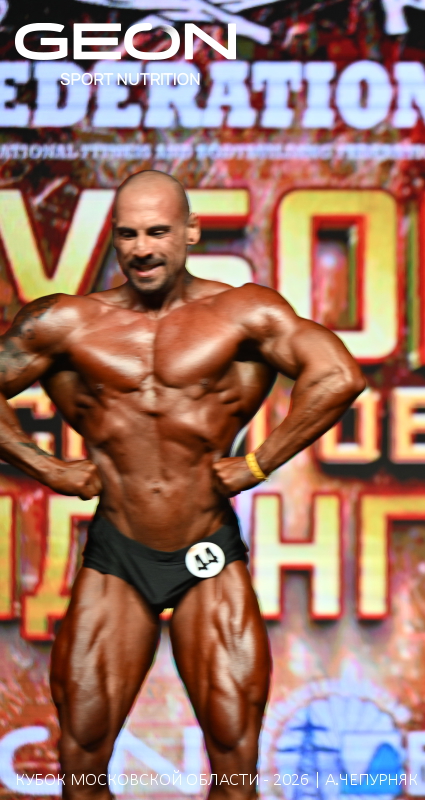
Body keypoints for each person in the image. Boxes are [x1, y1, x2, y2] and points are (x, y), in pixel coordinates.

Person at [0, 170, 365, 798]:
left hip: (207, 551)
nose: (142, 248)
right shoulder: (66, 323)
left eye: (158, 232)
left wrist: (257, 464)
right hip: (117, 553)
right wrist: (47, 467)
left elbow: (337, 375)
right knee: (81, 762)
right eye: (128, 235)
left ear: (191, 232)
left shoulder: (242, 313)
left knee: (234, 766)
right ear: (114, 239)